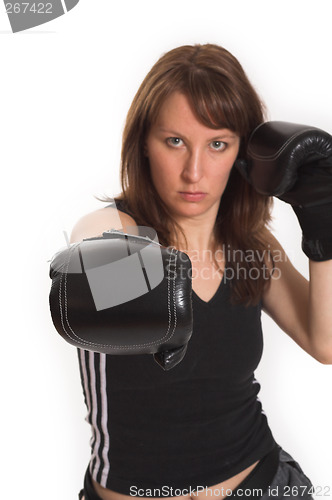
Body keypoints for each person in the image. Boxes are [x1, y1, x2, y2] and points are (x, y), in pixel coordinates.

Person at [68, 44, 332, 500]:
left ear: (243, 154)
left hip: (262, 484)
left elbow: (325, 343)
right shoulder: (116, 229)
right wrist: (151, 277)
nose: (195, 171)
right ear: (144, 145)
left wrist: (324, 227)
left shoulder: (250, 244)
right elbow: (92, 285)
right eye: (174, 141)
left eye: (217, 144)